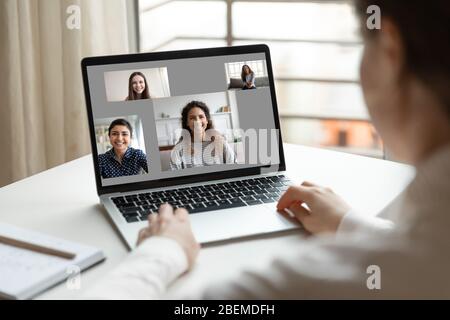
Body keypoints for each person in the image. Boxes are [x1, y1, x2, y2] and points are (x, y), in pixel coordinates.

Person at [87, 0, 450, 299]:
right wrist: (350, 223)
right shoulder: (179, 147)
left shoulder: (316, 284)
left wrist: (163, 250)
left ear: (390, 48)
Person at [169, 101, 236, 170]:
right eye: (192, 118)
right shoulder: (179, 149)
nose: (197, 121)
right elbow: (174, 174)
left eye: (201, 117)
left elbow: (234, 166)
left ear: (207, 120)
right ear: (187, 123)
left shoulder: (220, 142)